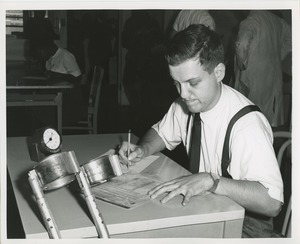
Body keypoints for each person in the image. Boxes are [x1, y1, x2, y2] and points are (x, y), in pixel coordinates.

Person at [119, 24, 283, 238]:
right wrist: (143, 148)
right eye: (176, 83)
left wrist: (211, 181)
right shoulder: (188, 102)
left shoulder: (246, 125)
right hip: (207, 209)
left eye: (192, 83)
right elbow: (161, 132)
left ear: (219, 72)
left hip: (245, 226)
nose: (184, 94)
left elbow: (271, 203)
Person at [234, 10, 292, 128]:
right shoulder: (278, 21)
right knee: (267, 118)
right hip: (273, 75)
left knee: (249, 117)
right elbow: (292, 40)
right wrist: (277, 56)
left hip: (252, 76)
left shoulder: (251, 20)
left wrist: (243, 66)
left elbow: (242, 44)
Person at [31, 38, 85, 125]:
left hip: (69, 97)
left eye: (40, 52)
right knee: (36, 100)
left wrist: (56, 75)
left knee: (40, 104)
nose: (40, 55)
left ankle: (49, 127)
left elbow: (78, 78)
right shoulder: (49, 58)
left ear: (48, 48)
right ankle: (43, 126)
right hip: (56, 93)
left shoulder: (65, 55)